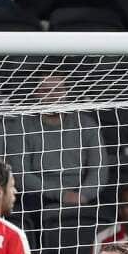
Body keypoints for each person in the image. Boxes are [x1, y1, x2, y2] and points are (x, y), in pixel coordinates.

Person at [9, 72, 105, 210]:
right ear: (36, 93)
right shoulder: (21, 125)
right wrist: (61, 194)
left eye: (58, 90)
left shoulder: (86, 124)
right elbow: (20, 174)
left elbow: (99, 170)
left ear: (66, 92)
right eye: (46, 90)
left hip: (82, 194)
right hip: (39, 195)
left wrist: (83, 195)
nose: (53, 96)